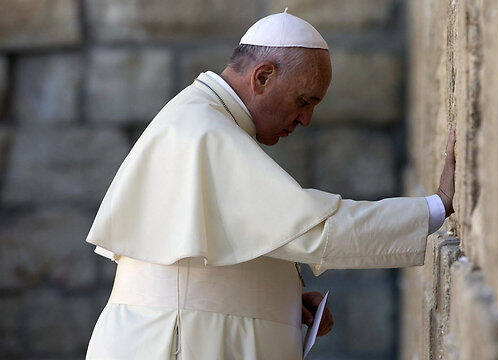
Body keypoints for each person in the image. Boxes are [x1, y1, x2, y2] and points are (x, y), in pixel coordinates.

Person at [84, 9, 456, 360]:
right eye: (303, 101)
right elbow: (313, 229)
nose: (306, 119)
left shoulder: (201, 118)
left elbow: (209, 260)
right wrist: (436, 207)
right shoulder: (205, 133)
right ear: (262, 77)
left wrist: (280, 297)